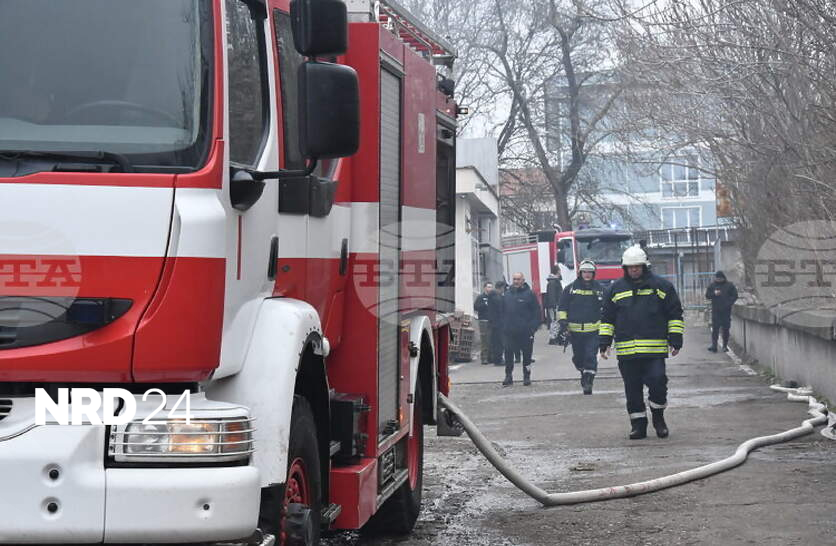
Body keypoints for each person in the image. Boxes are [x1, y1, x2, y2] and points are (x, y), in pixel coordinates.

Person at [599, 245, 684, 440]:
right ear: (625, 268)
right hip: (627, 353)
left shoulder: (662, 287)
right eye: (631, 267)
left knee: (658, 383)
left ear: (644, 266)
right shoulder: (615, 289)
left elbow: (674, 314)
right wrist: (604, 342)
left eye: (637, 266)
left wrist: (676, 339)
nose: (634, 270)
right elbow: (607, 318)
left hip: (654, 351)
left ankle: (658, 417)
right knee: (632, 390)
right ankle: (638, 425)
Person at [557, 260, 603, 395]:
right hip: (575, 332)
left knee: (590, 356)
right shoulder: (570, 289)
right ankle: (583, 372)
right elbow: (562, 307)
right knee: (578, 358)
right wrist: (563, 323)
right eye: (585, 272)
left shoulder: (600, 289)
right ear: (580, 273)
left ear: (594, 273)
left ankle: (588, 381)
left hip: (593, 331)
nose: (587, 274)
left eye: (590, 272)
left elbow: (607, 308)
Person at [501, 272, 541, 387]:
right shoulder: (507, 294)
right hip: (509, 331)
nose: (516, 281)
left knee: (527, 355)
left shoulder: (530, 294)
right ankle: (508, 376)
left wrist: (533, 328)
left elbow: (536, 312)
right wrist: (503, 326)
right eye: (514, 279)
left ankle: (526, 376)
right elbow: (502, 311)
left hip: (525, 332)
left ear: (523, 280)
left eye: (518, 279)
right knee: (508, 354)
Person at [705, 271, 738, 352]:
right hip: (716, 311)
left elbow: (735, 296)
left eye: (720, 278)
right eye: (717, 278)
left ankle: (725, 345)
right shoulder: (712, 286)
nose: (718, 280)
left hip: (726, 311)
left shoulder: (729, 285)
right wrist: (714, 294)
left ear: (723, 278)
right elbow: (707, 295)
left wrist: (729, 303)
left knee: (726, 329)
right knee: (715, 329)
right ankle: (714, 346)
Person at [473, 282, 495, 365]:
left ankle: (491, 357)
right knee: (484, 339)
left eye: (491, 287)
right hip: (483, 321)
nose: (490, 289)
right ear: (485, 288)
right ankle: (484, 358)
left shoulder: (493, 297)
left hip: (491, 321)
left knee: (491, 339)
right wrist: (484, 305)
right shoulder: (480, 297)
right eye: (488, 287)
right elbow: (475, 307)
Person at [544, 266, 563, 344]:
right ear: (557, 271)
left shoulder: (553, 281)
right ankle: (553, 338)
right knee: (555, 321)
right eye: (560, 271)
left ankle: (554, 337)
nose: (560, 272)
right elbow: (552, 295)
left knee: (555, 321)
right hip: (554, 305)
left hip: (554, 305)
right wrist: (554, 305)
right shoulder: (553, 282)